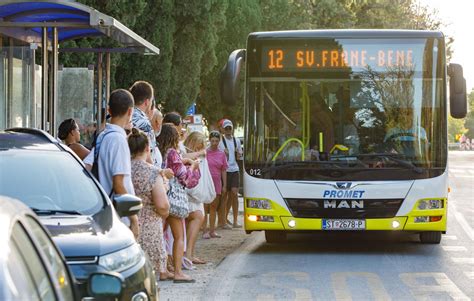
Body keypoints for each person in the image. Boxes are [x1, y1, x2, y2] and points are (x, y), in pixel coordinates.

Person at [83, 89, 139, 238]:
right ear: (130, 111)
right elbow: (119, 184)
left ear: (109, 110)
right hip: (120, 217)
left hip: (104, 212)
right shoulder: (119, 140)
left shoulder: (103, 136)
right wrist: (134, 219)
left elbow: (86, 166)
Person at [128, 128, 173, 281]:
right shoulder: (153, 172)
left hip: (127, 224)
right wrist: (166, 213)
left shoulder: (124, 169)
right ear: (148, 148)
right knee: (149, 278)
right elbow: (162, 205)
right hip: (150, 227)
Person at [157, 123, 200, 283]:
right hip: (173, 201)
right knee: (179, 236)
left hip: (161, 196)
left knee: (161, 235)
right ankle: (178, 272)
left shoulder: (159, 152)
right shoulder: (173, 153)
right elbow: (183, 176)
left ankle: (163, 270)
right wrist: (193, 166)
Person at [183, 131, 207, 264]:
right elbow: (182, 156)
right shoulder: (182, 149)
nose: (200, 149)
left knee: (196, 217)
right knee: (197, 216)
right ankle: (188, 254)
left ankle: (190, 253)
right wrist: (199, 153)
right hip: (187, 192)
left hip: (193, 193)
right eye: (198, 146)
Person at [203, 131, 228, 239]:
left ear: (219, 141)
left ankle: (212, 230)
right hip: (206, 182)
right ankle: (205, 231)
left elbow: (224, 170)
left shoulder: (221, 154)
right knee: (205, 207)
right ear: (209, 140)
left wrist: (224, 185)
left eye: (216, 141)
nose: (214, 143)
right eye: (212, 141)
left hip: (217, 182)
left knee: (214, 206)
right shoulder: (204, 152)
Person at [219, 119, 242, 229]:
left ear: (232, 129)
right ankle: (223, 219)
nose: (228, 130)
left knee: (234, 193)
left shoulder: (236, 141)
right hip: (224, 171)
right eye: (226, 128)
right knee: (225, 195)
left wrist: (239, 155)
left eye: (230, 128)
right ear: (223, 129)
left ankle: (235, 220)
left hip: (234, 169)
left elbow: (239, 155)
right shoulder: (220, 141)